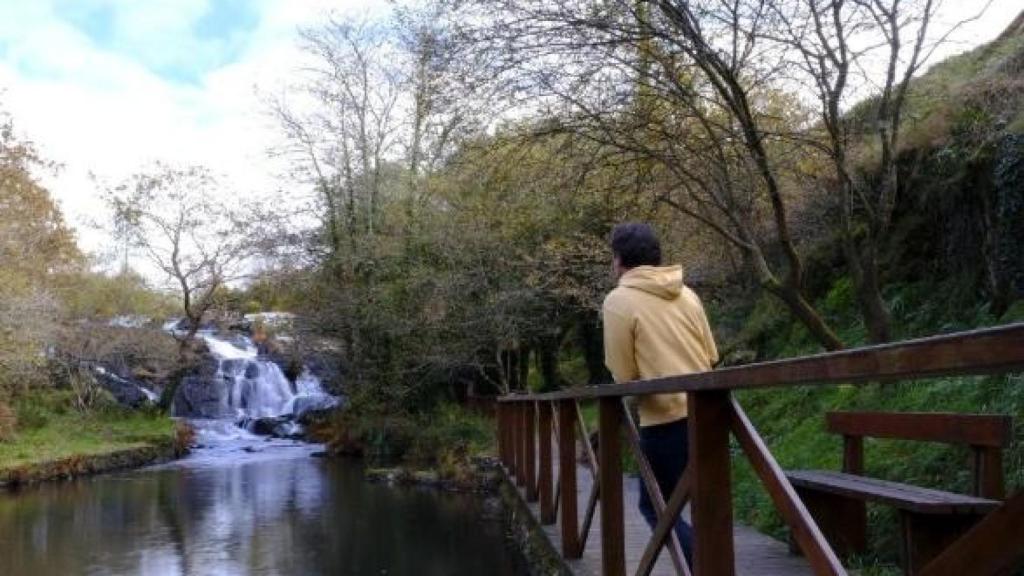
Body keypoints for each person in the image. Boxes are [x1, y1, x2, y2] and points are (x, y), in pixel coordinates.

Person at [602, 222, 719, 567]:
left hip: (666, 420)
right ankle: (714, 563)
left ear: (619, 259)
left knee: (656, 509)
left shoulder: (619, 300)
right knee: (703, 506)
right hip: (710, 415)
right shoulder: (688, 294)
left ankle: (707, 566)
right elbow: (711, 355)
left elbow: (624, 375)